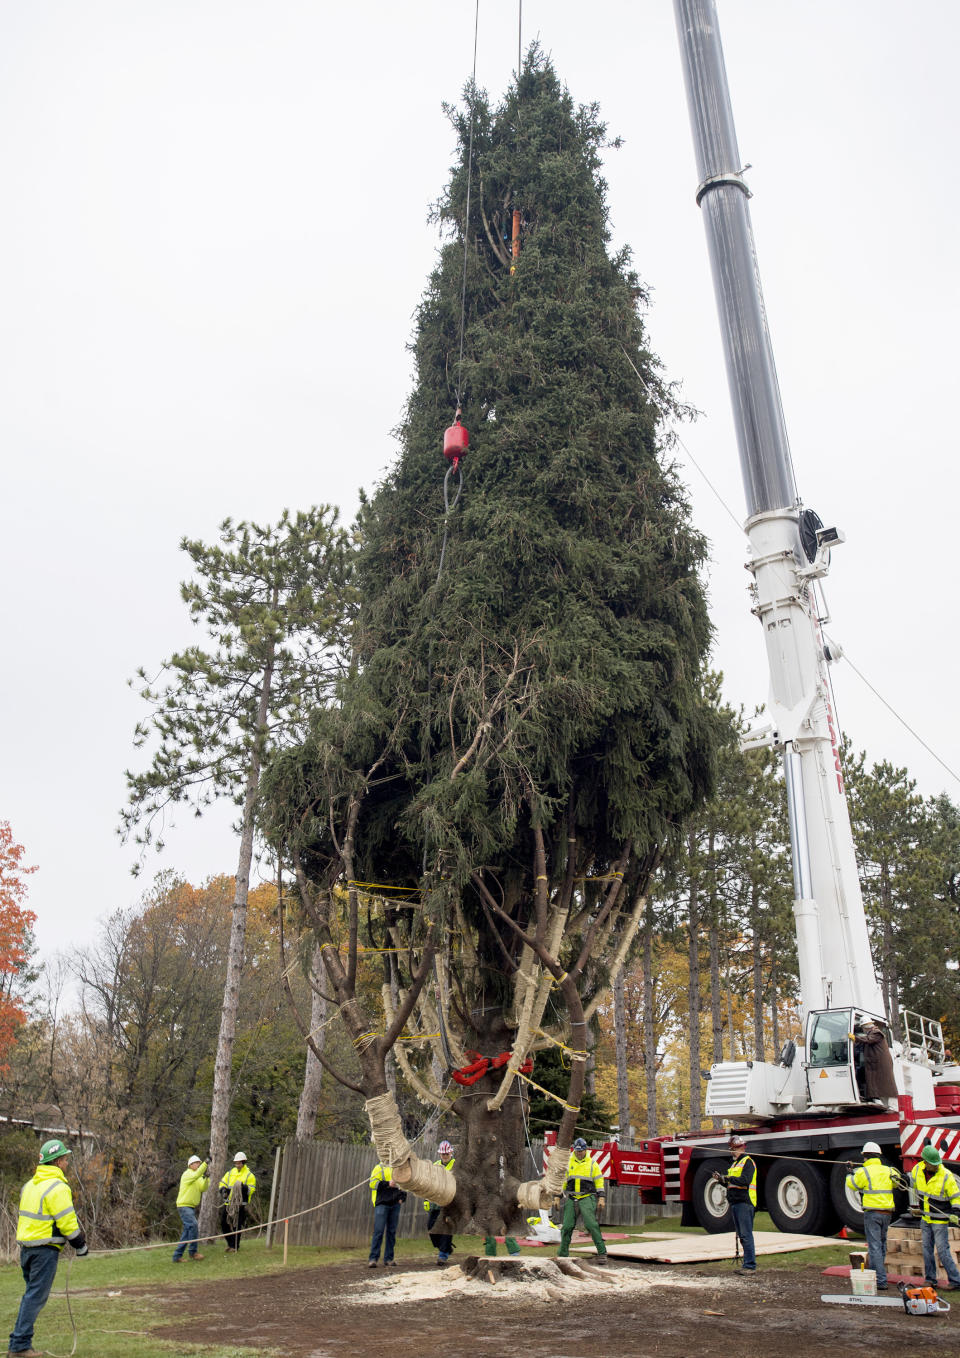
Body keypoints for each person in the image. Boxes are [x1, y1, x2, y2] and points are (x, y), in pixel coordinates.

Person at [9, 1138, 88, 1358]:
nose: (66, 1163)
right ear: (57, 1162)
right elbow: (67, 1222)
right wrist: (80, 1245)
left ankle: (21, 1342)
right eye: (64, 1159)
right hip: (44, 1250)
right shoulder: (58, 1187)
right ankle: (19, 1346)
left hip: (26, 1250)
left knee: (30, 1296)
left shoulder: (29, 1185)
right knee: (34, 1297)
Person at [845, 1141, 904, 1290]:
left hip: (872, 1214)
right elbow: (898, 1181)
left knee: (875, 1247)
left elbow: (852, 1184)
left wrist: (849, 1172)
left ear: (865, 1157)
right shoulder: (888, 1170)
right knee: (882, 1245)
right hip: (887, 1214)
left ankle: (880, 1280)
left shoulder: (863, 1172)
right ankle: (880, 1275)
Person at [909, 1145, 960, 1290]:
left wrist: (956, 1211)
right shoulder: (917, 1170)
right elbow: (910, 1183)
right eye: (933, 1164)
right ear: (925, 1162)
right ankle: (930, 1279)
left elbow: (956, 1196)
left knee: (943, 1250)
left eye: (937, 1163)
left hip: (939, 1220)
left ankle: (956, 1281)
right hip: (925, 1219)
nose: (936, 1166)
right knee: (926, 1250)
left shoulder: (946, 1175)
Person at [556, 1137, 607, 1265]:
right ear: (574, 1150)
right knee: (566, 1227)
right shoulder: (568, 1163)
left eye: (581, 1151)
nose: (579, 1153)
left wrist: (601, 1197)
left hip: (587, 1198)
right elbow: (562, 1182)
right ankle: (562, 1255)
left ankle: (602, 1253)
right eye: (577, 1151)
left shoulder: (592, 1164)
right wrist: (557, 1197)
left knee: (591, 1225)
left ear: (586, 1150)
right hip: (572, 1198)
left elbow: (599, 1181)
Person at [715, 1135, 757, 1274]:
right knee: (741, 1235)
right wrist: (721, 1180)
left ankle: (750, 1266)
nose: (733, 1151)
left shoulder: (748, 1162)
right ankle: (747, 1264)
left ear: (741, 1147)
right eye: (732, 1149)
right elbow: (731, 1183)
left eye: (735, 1148)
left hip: (745, 1202)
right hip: (735, 1202)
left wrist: (728, 1178)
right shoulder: (734, 1164)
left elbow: (744, 1180)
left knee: (746, 1234)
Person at [849, 1019, 898, 1107]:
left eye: (863, 1027)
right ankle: (887, 1106)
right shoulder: (872, 1033)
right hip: (877, 1065)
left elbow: (868, 1039)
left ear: (866, 1027)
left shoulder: (876, 1033)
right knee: (881, 1089)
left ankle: (892, 1107)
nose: (863, 1029)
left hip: (880, 1065)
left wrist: (855, 1038)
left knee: (885, 1088)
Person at [368, 1160, 406, 1267]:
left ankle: (389, 1259)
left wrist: (402, 1198)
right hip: (382, 1203)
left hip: (395, 1204)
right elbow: (372, 1183)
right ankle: (373, 1259)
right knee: (378, 1231)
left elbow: (404, 1184)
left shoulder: (399, 1168)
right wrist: (388, 1184)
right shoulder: (379, 1168)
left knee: (391, 1232)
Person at [424, 1140, 456, 1266]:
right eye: (443, 1154)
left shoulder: (456, 1165)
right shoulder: (435, 1165)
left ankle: (443, 1254)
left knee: (447, 1229)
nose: (445, 1156)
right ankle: (446, 1248)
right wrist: (427, 1199)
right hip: (435, 1202)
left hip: (450, 1203)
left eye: (446, 1154)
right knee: (431, 1227)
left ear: (451, 1153)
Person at [172, 1154, 210, 1262]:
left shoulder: (197, 1177)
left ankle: (177, 1256)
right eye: (196, 1163)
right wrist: (206, 1163)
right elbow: (197, 1175)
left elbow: (203, 1188)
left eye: (199, 1163)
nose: (198, 1164)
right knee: (193, 1225)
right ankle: (193, 1252)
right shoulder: (187, 1174)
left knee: (187, 1231)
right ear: (190, 1165)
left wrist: (207, 1178)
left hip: (190, 1207)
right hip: (184, 1206)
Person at [219, 1151, 256, 1253]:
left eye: (239, 1163)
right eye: (236, 1163)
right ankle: (231, 1243)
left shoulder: (249, 1175)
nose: (237, 1165)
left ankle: (235, 1246)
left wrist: (243, 1187)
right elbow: (222, 1182)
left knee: (237, 1226)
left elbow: (251, 1190)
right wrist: (222, 1189)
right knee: (224, 1224)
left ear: (243, 1163)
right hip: (228, 1204)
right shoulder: (230, 1173)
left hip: (240, 1205)